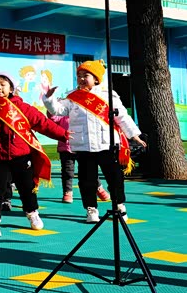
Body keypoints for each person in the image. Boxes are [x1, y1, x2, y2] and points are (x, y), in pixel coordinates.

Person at [0, 72, 69, 237]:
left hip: (21, 156)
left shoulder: (22, 107)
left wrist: (63, 134)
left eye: (3, 84)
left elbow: (42, 123)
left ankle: (32, 213)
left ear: (11, 88)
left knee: (27, 188)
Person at [43, 60, 145, 222]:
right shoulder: (73, 97)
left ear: (96, 79)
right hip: (83, 146)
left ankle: (119, 206)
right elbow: (57, 110)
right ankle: (91, 210)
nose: (82, 79)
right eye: (79, 76)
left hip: (107, 145)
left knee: (115, 178)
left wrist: (134, 135)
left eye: (86, 75)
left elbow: (122, 117)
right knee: (86, 181)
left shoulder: (109, 95)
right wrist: (49, 98)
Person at [48, 112, 110, 204]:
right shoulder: (62, 114)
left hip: (83, 147)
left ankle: (98, 188)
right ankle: (68, 191)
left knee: (89, 169)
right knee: (67, 171)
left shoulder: (82, 113)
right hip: (66, 148)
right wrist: (50, 107)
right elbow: (53, 117)